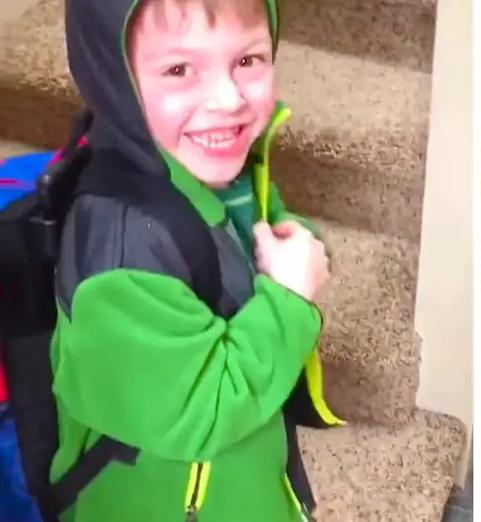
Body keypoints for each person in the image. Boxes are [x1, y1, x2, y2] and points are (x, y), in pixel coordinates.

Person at [50, 0, 342, 520]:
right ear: (114, 81)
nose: (227, 99)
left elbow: (267, 232)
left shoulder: (214, 173)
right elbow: (199, 414)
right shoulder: (120, 259)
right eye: (179, 69)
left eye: (248, 60)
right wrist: (290, 301)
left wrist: (297, 248)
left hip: (239, 485)